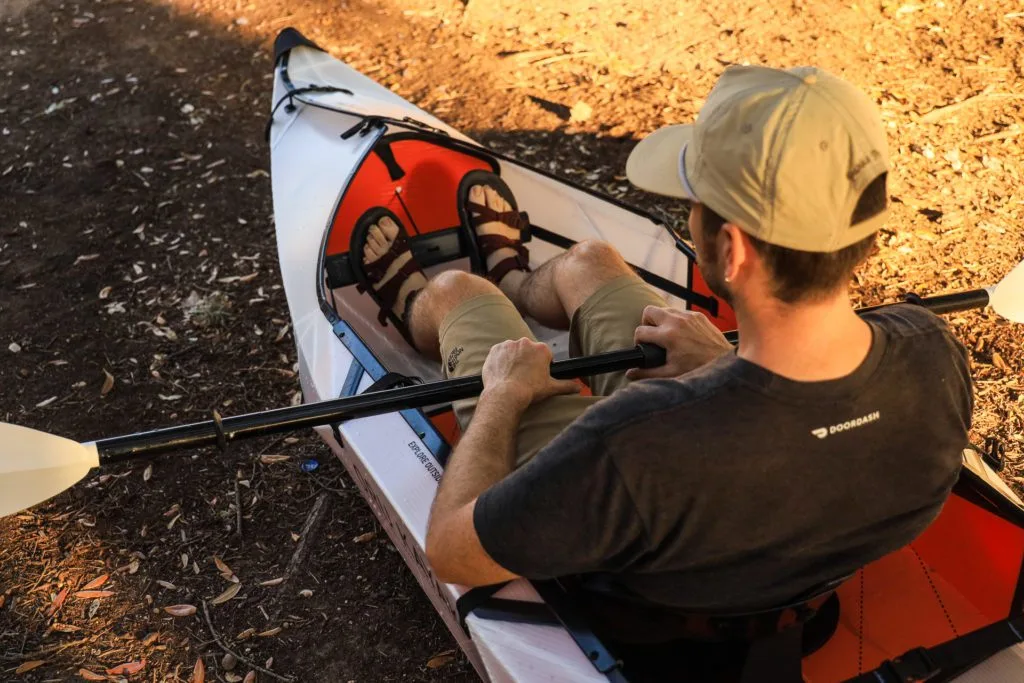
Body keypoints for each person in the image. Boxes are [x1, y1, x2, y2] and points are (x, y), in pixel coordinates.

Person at [351, 65, 972, 666]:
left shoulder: (628, 441)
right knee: (590, 261)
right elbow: (795, 434)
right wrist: (723, 364)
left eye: (693, 204)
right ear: (863, 231)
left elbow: (453, 551)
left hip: (647, 588)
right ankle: (513, 277)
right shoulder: (933, 351)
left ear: (731, 249)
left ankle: (426, 304)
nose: (689, 217)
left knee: (462, 293)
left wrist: (502, 399)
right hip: (744, 524)